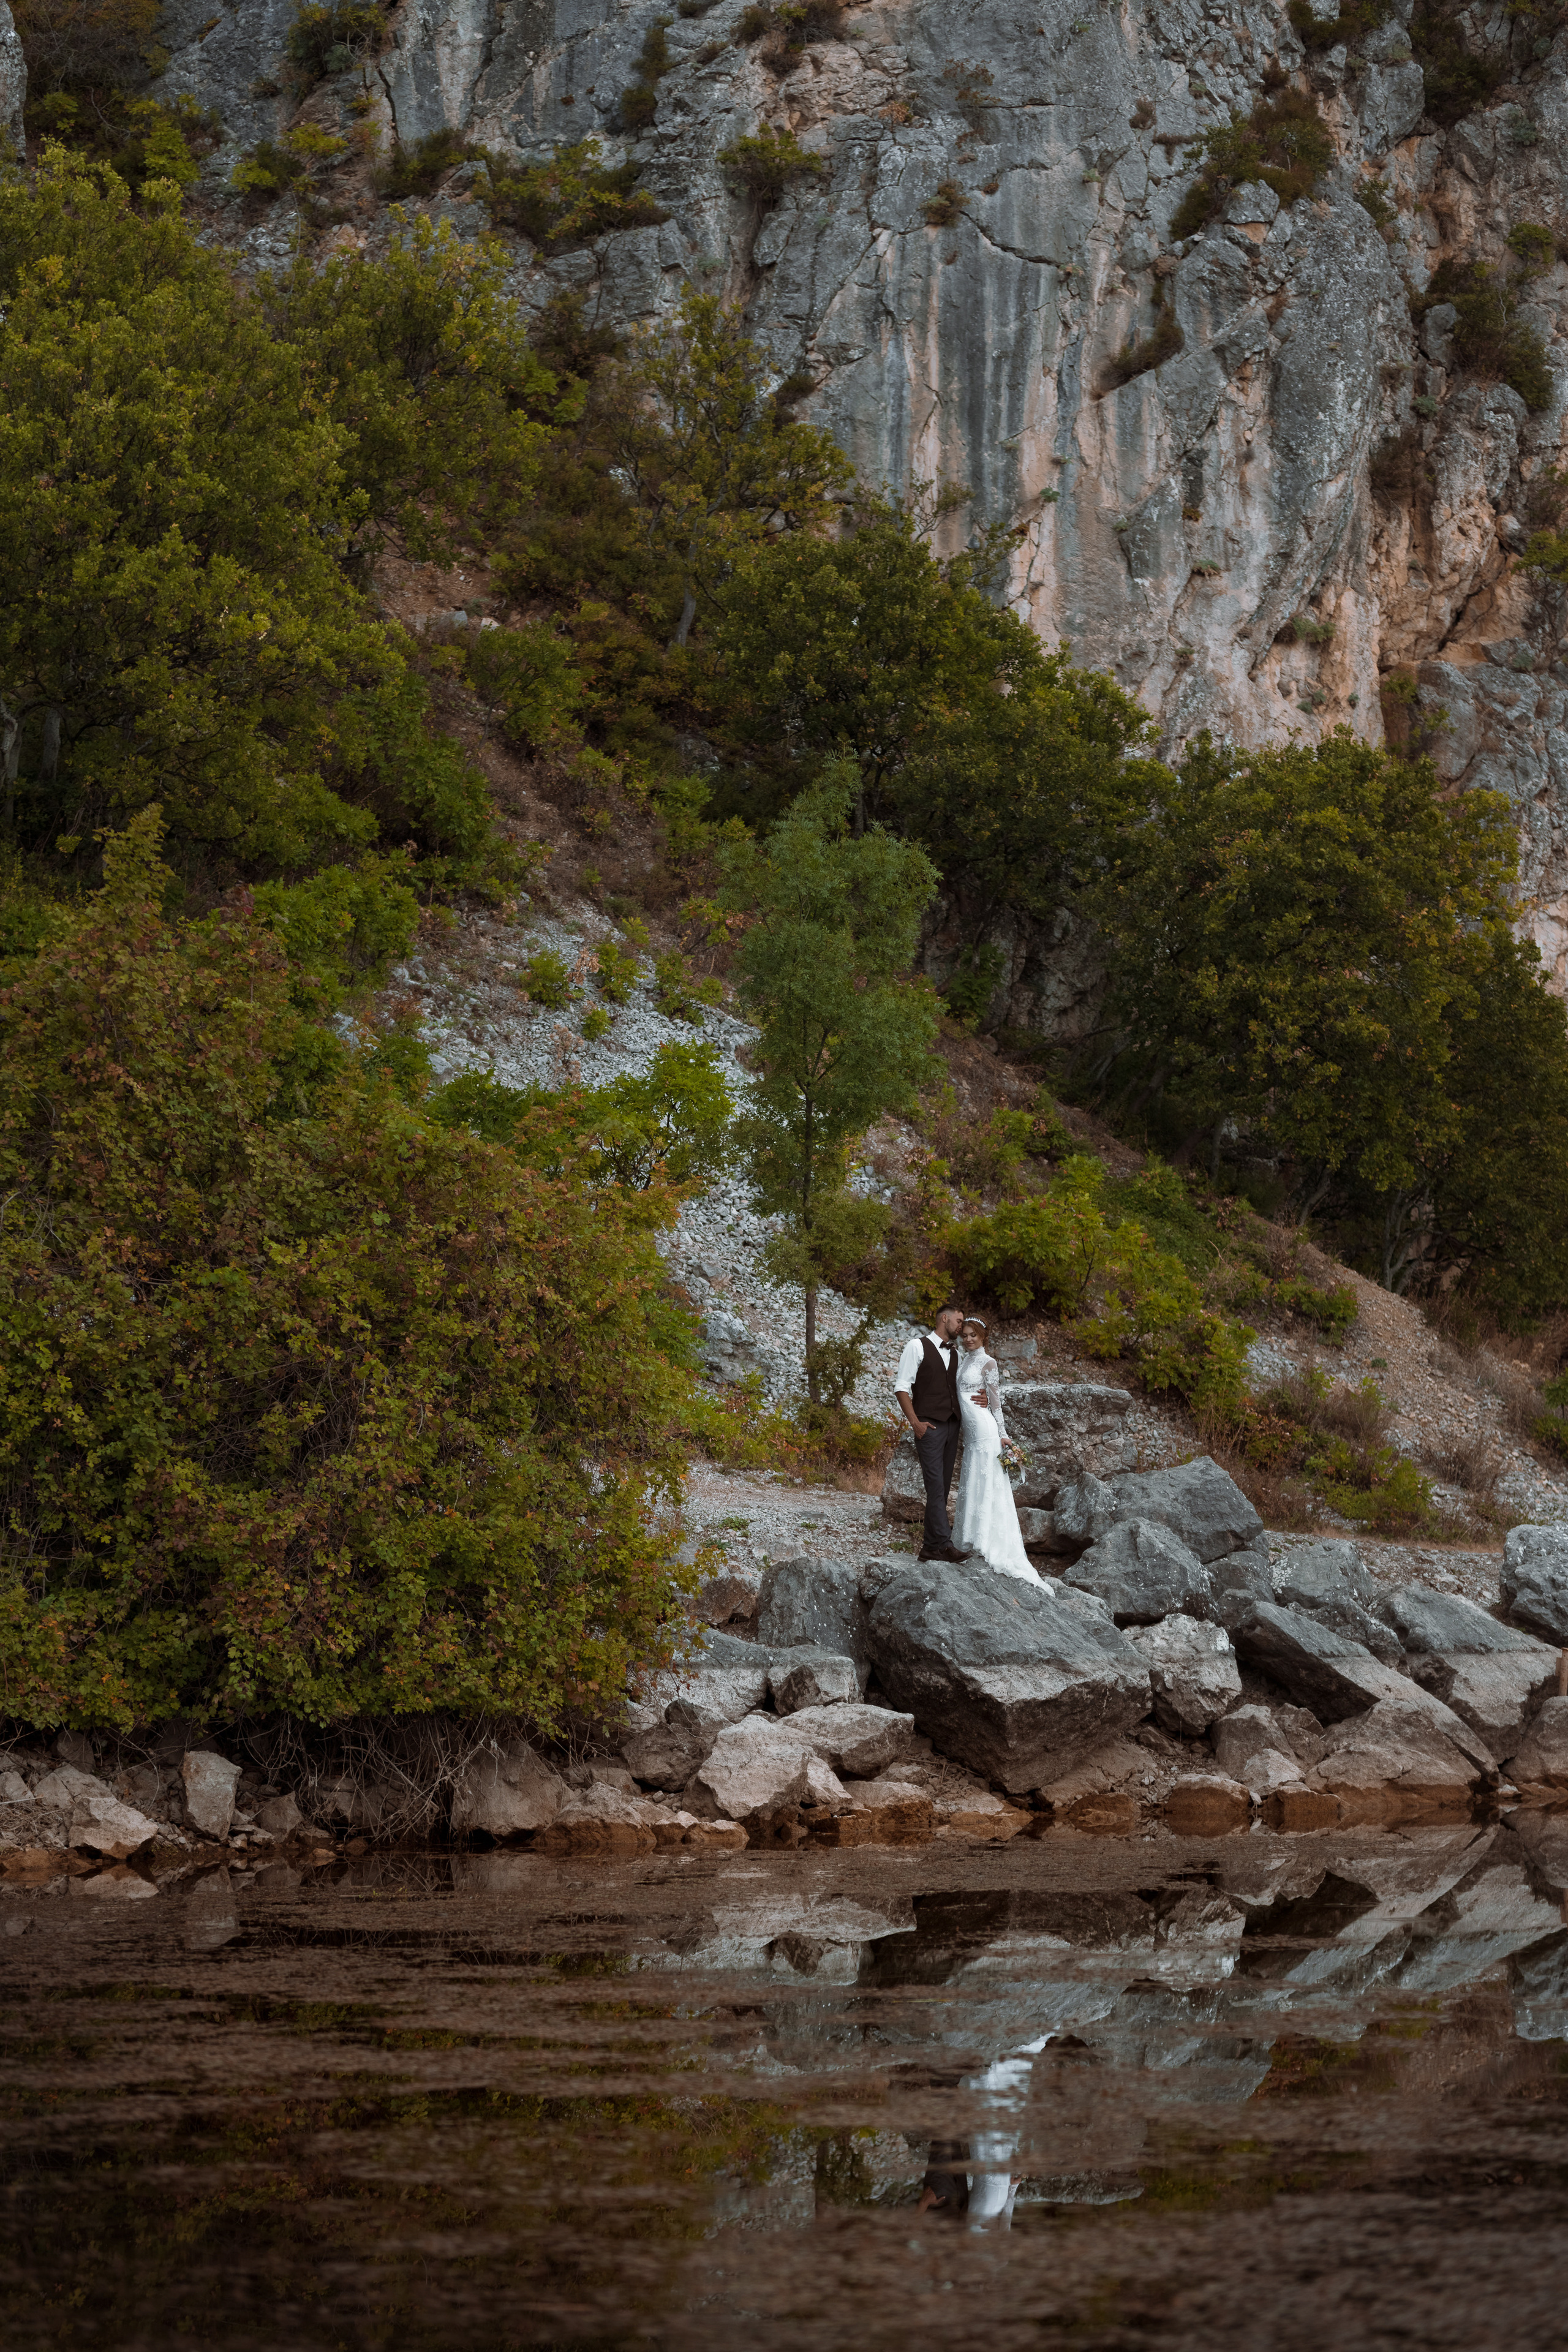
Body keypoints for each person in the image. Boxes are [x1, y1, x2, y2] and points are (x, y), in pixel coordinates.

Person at [951, 1317, 1043, 1582]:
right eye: (965, 1335)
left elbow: (996, 1403)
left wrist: (1004, 1436)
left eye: (973, 1336)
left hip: (985, 1430)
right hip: (970, 1433)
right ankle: (969, 1538)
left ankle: (984, 1541)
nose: (969, 1339)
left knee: (987, 1480)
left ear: (983, 1337)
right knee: (973, 1480)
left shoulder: (988, 1363)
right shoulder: (963, 1359)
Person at [893, 1305, 970, 1563]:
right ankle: (945, 1545)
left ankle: (929, 1548)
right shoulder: (917, 1346)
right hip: (929, 1427)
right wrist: (915, 1422)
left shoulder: (956, 1353)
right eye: (959, 1321)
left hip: (951, 1426)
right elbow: (902, 1388)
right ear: (944, 1319)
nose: (961, 1326)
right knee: (935, 1487)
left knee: (943, 1488)